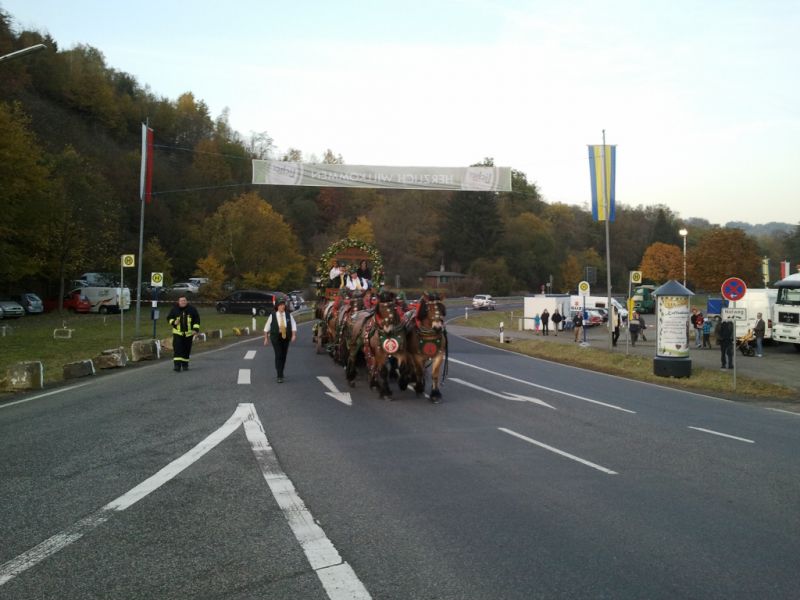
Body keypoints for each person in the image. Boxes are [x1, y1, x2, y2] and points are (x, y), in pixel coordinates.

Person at [264, 298, 297, 383]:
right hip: (276, 337)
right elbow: (266, 328)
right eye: (280, 305)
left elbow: (293, 325)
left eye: (283, 305)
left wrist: (293, 335)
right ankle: (279, 375)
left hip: (285, 336)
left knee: (283, 355)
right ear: (277, 306)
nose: (282, 306)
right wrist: (266, 339)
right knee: (278, 355)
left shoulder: (288, 315)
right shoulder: (273, 315)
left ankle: (281, 371)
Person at [167, 295, 201, 372]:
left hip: (189, 334)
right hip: (178, 333)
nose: (183, 302)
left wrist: (195, 329)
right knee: (177, 349)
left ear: (187, 301)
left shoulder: (192, 309)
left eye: (184, 300)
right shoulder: (174, 309)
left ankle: (185, 364)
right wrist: (173, 322)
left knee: (186, 349)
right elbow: (169, 318)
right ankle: (177, 366)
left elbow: (197, 319)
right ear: (178, 302)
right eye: (181, 301)